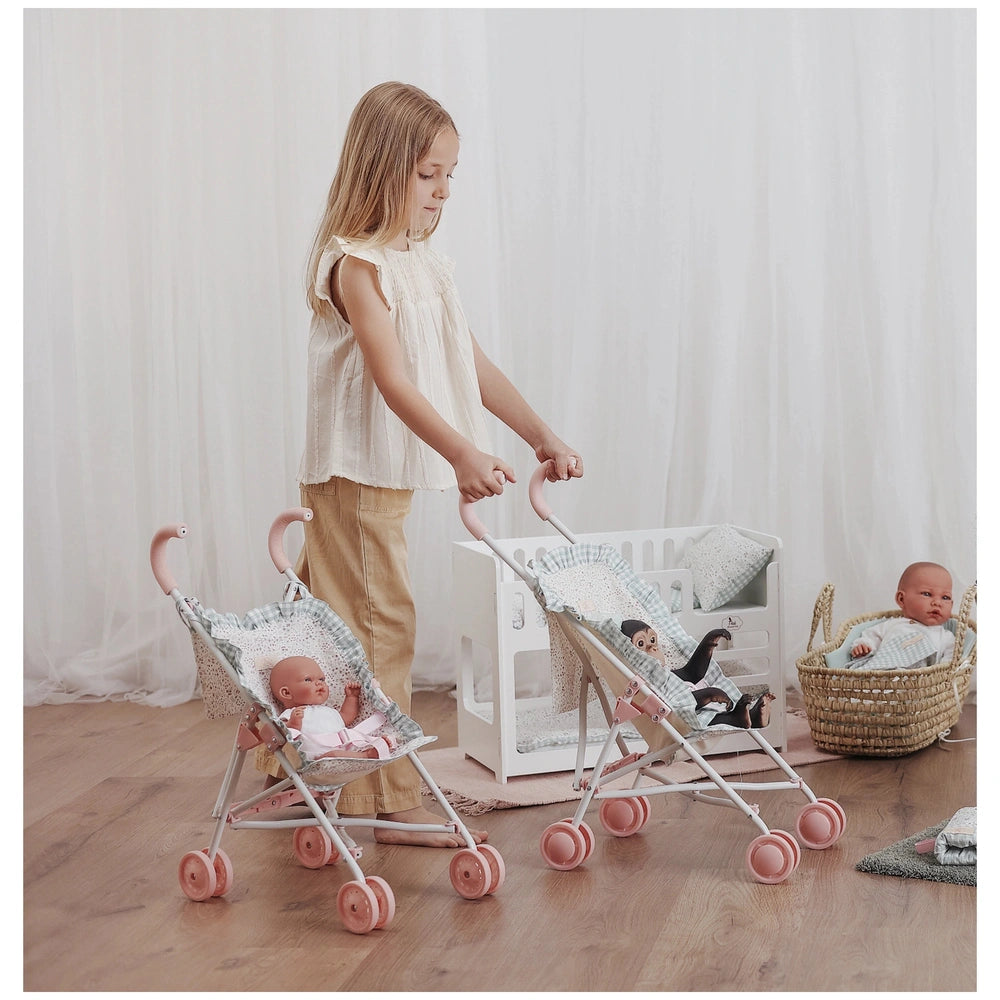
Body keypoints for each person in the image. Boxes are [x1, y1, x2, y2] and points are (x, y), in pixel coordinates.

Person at [262, 81, 584, 847]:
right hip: (355, 471)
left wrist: (539, 431)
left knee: (318, 619)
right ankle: (385, 796)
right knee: (379, 621)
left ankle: (295, 766)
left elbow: (465, 361)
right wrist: (461, 450)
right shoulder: (356, 266)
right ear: (383, 169)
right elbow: (393, 378)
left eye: (451, 174)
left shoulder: (422, 261)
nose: (443, 191)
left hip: (378, 472)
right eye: (427, 173)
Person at [620, 620, 775, 728]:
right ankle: (737, 718)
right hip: (681, 721)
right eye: (641, 644)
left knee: (718, 714)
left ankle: (750, 718)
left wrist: (709, 642)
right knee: (707, 719)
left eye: (652, 640)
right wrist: (709, 694)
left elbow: (692, 673)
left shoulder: (666, 676)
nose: (652, 647)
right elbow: (675, 704)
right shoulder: (646, 687)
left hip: (700, 711)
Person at [268, 656, 395, 760]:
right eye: (308, 679)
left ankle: (372, 746)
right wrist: (294, 723)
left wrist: (351, 698)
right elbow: (283, 735)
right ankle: (366, 755)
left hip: (345, 746)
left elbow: (346, 717)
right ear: (287, 693)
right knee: (334, 755)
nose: (319, 683)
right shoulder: (290, 714)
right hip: (320, 757)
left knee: (341, 750)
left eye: (322, 679)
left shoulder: (328, 711)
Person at [849, 561, 955, 668]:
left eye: (945, 597)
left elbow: (949, 664)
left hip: (919, 681)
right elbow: (870, 637)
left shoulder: (946, 637)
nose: (937, 602)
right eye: (927, 594)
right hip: (883, 675)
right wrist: (863, 647)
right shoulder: (892, 624)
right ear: (901, 599)